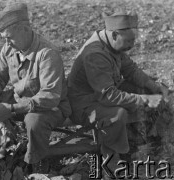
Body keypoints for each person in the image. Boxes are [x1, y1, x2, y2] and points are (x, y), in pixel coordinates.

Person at [0, 2, 71, 169]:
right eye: (4, 39)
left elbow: (50, 97)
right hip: (18, 100)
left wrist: (12, 108)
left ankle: (35, 162)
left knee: (33, 119)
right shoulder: (9, 48)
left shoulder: (47, 54)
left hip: (51, 108)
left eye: (9, 37)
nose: (7, 43)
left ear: (25, 29)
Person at [67, 9, 168, 172]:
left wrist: (154, 86)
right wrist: (144, 99)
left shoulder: (111, 43)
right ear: (114, 35)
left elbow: (130, 70)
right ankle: (111, 160)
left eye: (133, 41)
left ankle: (137, 139)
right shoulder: (95, 54)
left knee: (146, 89)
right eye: (129, 41)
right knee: (117, 114)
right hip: (84, 104)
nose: (131, 46)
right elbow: (108, 95)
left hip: (101, 94)